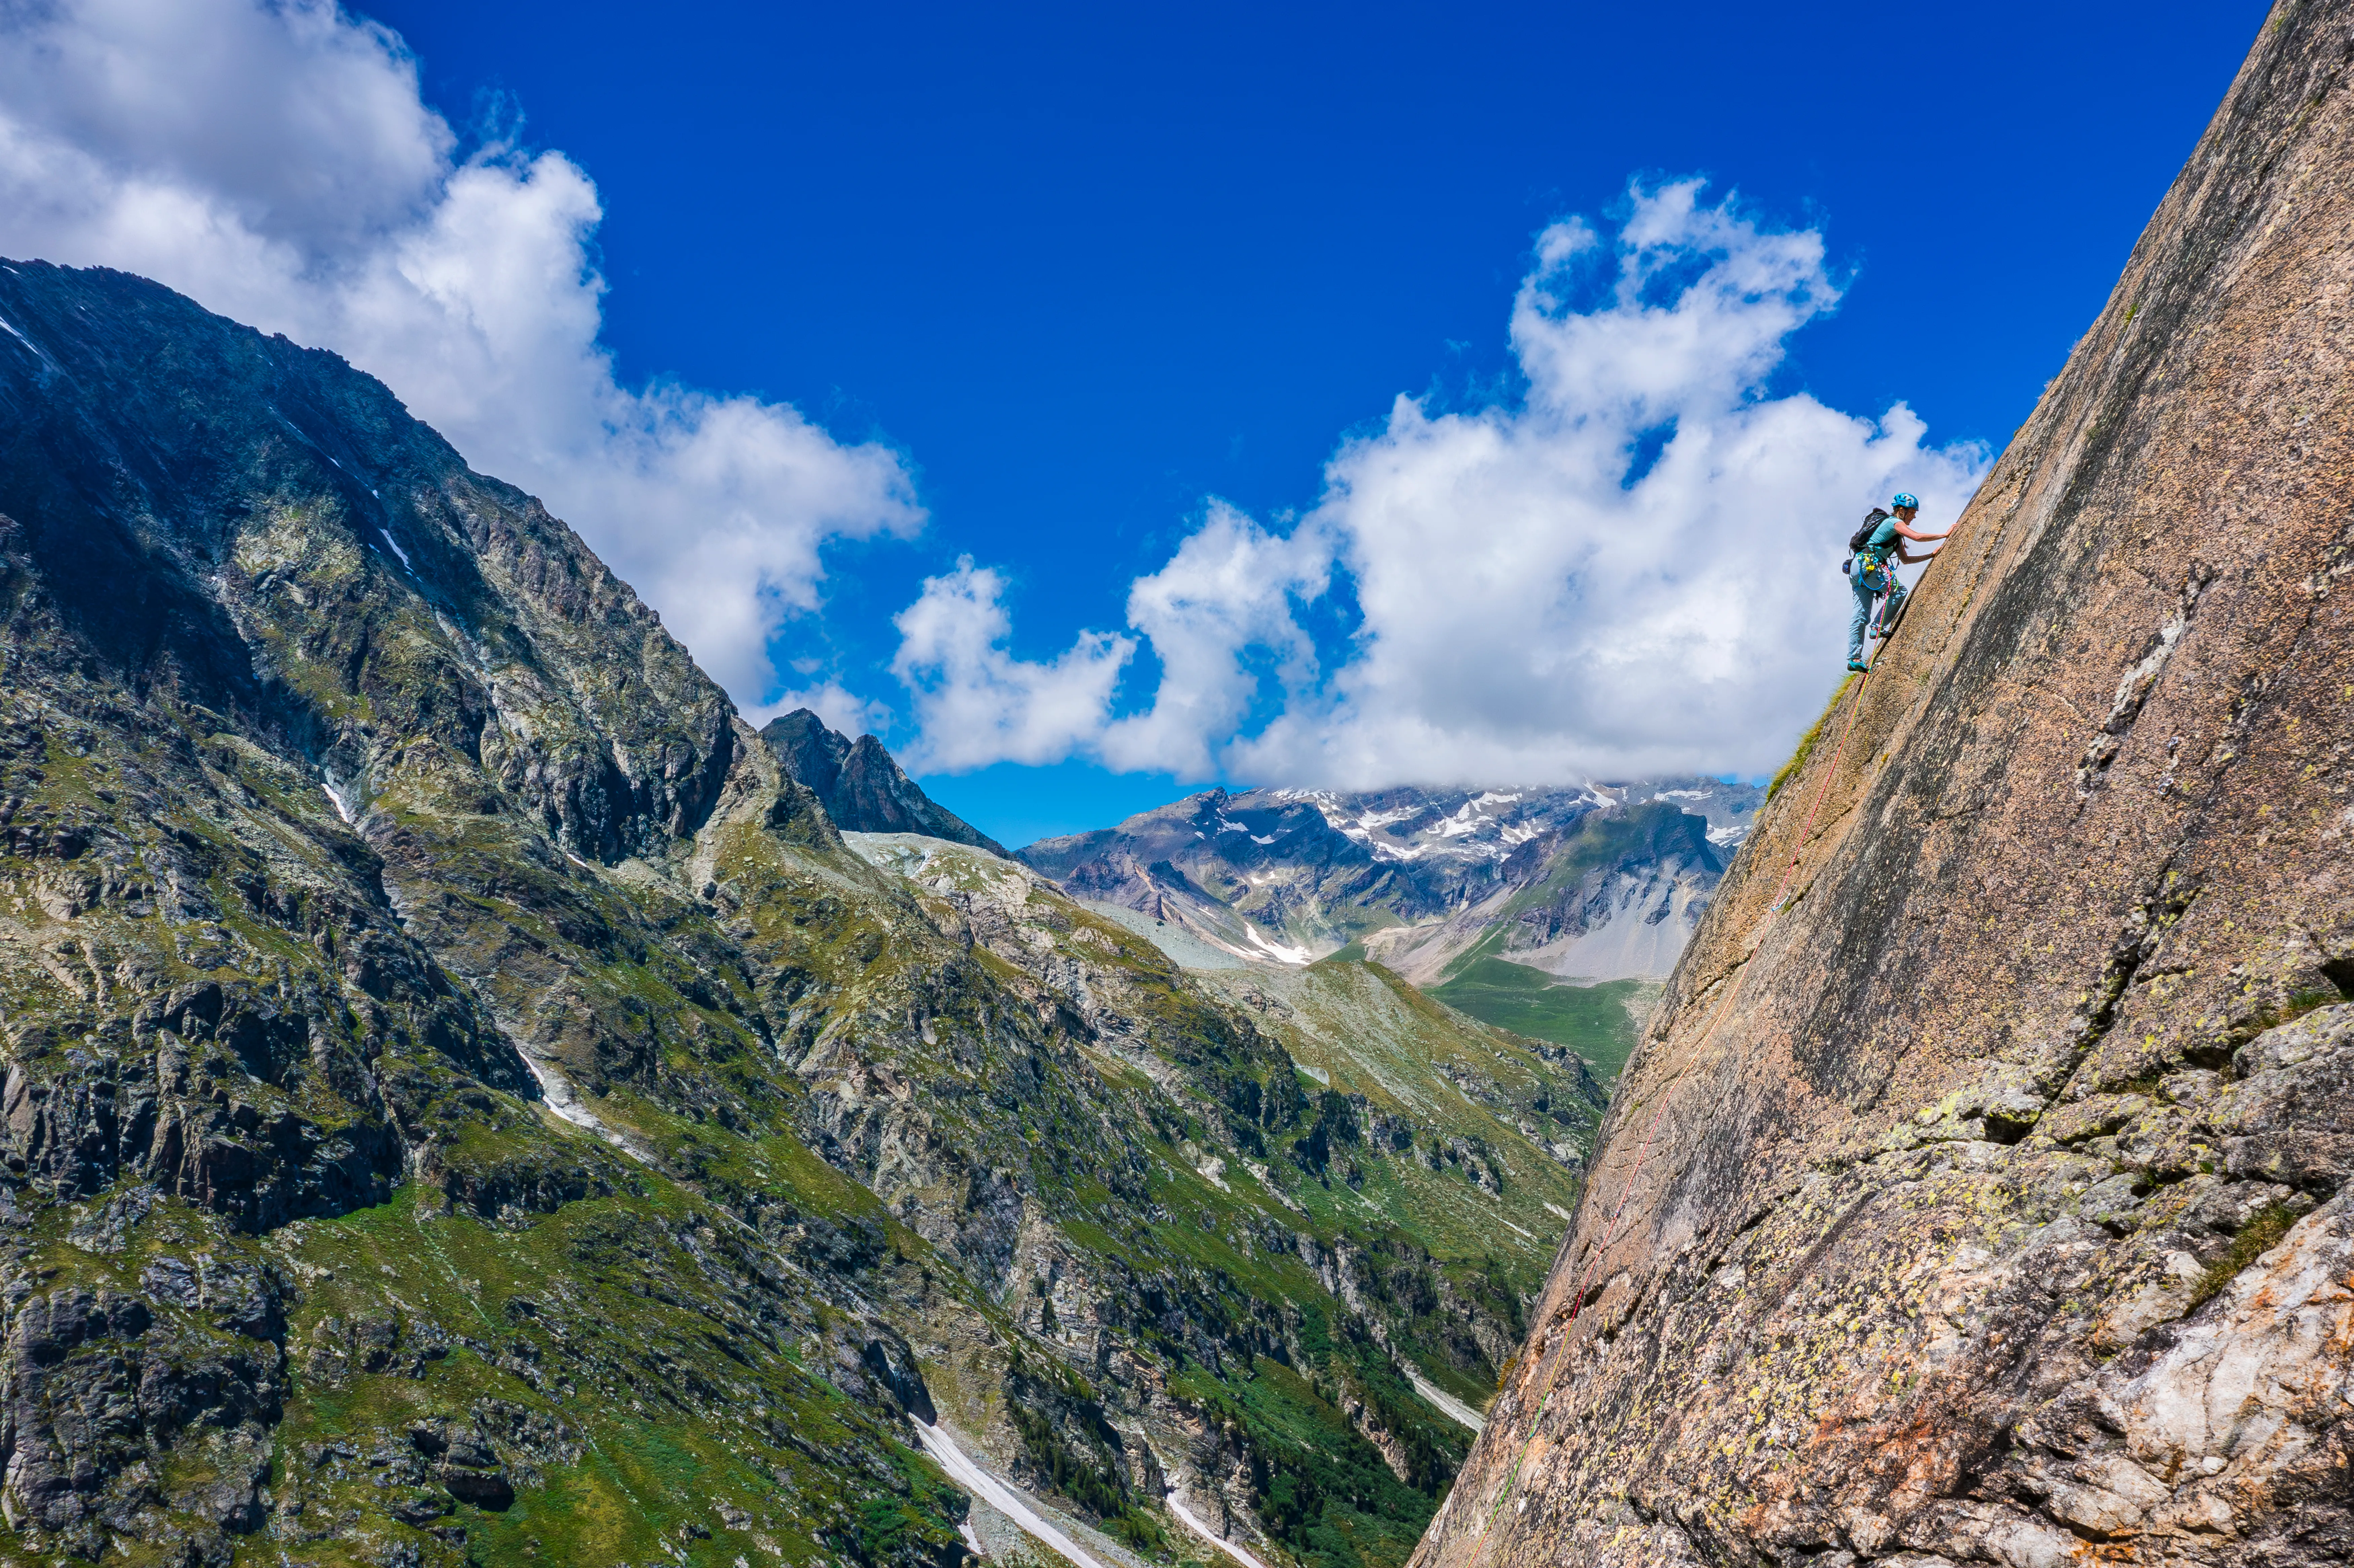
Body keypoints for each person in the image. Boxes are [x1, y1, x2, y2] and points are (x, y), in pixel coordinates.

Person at [1847, 493, 1948, 671]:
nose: (1914, 516)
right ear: (1901, 511)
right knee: (1900, 591)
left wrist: (1931, 556)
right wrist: (1945, 535)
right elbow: (1916, 537)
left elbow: (1906, 560)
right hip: (1870, 566)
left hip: (1858, 568)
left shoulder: (1894, 533)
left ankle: (1854, 659)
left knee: (1860, 614)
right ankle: (1878, 627)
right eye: (1912, 512)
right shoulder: (1894, 523)